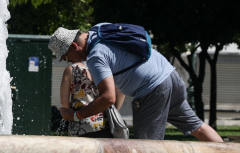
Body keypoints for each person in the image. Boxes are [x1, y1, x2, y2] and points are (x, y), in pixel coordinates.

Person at [48, 25, 223, 142]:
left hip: (152, 90)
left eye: (65, 57)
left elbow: (108, 97)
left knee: (146, 149)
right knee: (196, 126)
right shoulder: (100, 29)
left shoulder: (95, 57)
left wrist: (77, 116)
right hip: (169, 75)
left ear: (73, 46)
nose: (68, 62)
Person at [60, 61, 125, 138]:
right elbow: (120, 91)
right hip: (106, 123)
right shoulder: (106, 68)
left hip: (80, 125)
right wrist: (114, 110)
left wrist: (70, 116)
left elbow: (64, 100)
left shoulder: (71, 69)